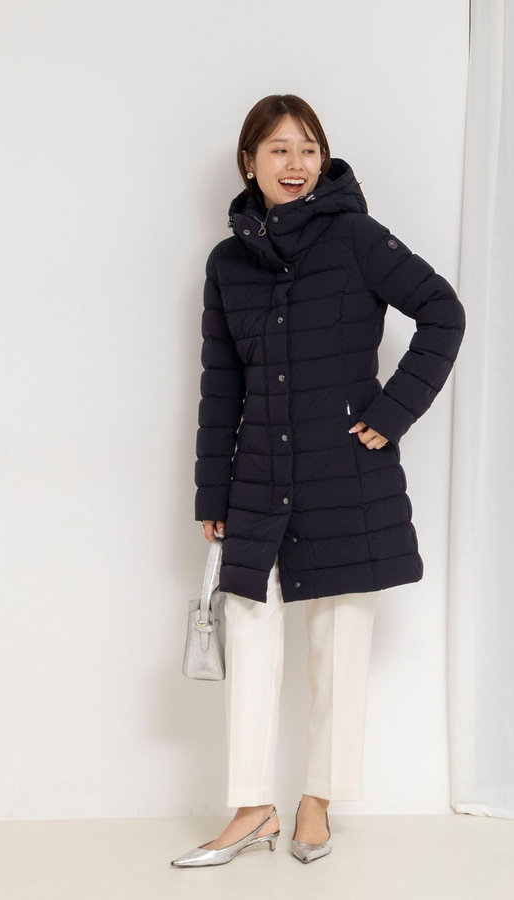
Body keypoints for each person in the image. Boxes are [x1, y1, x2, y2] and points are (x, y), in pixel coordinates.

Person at [171, 94, 466, 868]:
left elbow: (443, 312)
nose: (296, 163)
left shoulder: (357, 238)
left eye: (308, 148)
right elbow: (220, 385)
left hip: (346, 476)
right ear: (250, 164)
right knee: (249, 634)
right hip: (257, 479)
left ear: (323, 159)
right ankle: (251, 807)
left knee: (340, 644)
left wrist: (392, 412)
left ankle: (317, 802)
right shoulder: (227, 264)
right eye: (278, 149)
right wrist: (211, 493)